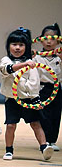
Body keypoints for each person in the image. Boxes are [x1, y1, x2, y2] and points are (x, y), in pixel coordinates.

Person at [0, 27, 54, 160]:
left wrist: (36, 99)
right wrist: (25, 64)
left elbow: (34, 82)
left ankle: (44, 147)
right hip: (12, 99)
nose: (17, 48)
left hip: (29, 99)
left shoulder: (32, 63)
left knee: (36, 124)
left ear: (27, 46)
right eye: (14, 44)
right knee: (11, 125)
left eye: (21, 45)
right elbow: (7, 70)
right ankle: (9, 150)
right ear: (9, 46)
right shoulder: (6, 60)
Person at [33, 23, 62, 151]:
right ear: (40, 39)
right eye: (46, 38)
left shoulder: (60, 57)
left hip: (56, 88)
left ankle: (52, 140)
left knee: (55, 115)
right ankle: (44, 141)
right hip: (42, 89)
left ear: (58, 40)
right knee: (43, 115)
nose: (49, 42)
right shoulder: (36, 57)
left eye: (53, 38)